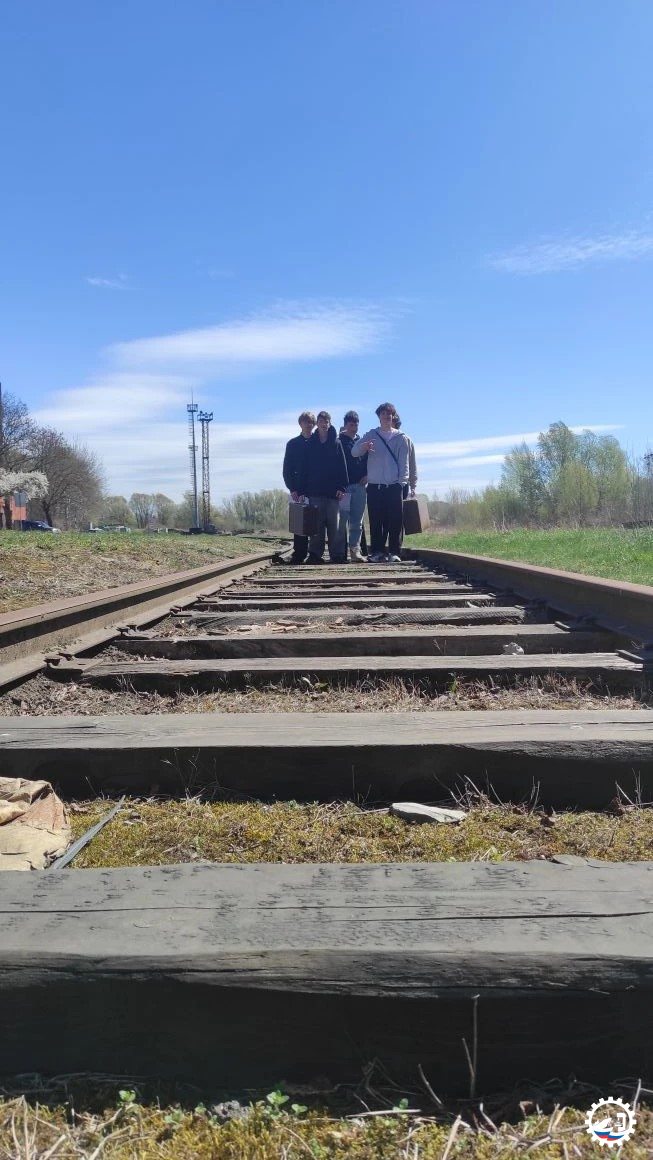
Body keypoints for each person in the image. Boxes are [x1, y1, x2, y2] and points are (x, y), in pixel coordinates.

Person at [353, 402, 409, 562]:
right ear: (379, 417)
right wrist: (364, 447)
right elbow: (354, 452)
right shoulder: (372, 434)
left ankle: (394, 552)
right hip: (375, 486)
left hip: (393, 486)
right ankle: (377, 552)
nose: (386, 417)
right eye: (383, 414)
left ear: (393, 416)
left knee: (395, 521)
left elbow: (404, 463)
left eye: (389, 414)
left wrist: (401, 483)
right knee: (376, 520)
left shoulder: (401, 438)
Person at [298, 410, 348, 564]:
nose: (324, 424)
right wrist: (302, 489)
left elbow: (342, 467)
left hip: (333, 493)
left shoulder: (336, 443)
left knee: (335, 526)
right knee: (316, 527)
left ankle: (337, 555)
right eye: (321, 421)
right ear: (317, 424)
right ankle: (314, 554)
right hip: (315, 492)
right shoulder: (311, 444)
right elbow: (304, 468)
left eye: (326, 422)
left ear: (329, 424)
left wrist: (342, 487)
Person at [282, 411, 316, 564]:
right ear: (300, 424)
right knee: (298, 524)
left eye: (311, 422)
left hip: (315, 490)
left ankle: (314, 554)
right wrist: (292, 488)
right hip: (297, 490)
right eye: (306, 422)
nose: (308, 425)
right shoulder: (293, 444)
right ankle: (299, 554)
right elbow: (287, 469)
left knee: (314, 524)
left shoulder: (318, 442)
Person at [334, 411, 368, 562]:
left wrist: (367, 475)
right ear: (345, 425)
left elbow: (369, 461)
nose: (354, 427)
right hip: (344, 488)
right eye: (351, 424)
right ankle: (339, 553)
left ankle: (355, 552)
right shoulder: (338, 442)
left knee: (357, 522)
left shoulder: (362, 443)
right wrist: (338, 485)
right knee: (341, 522)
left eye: (356, 424)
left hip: (360, 487)